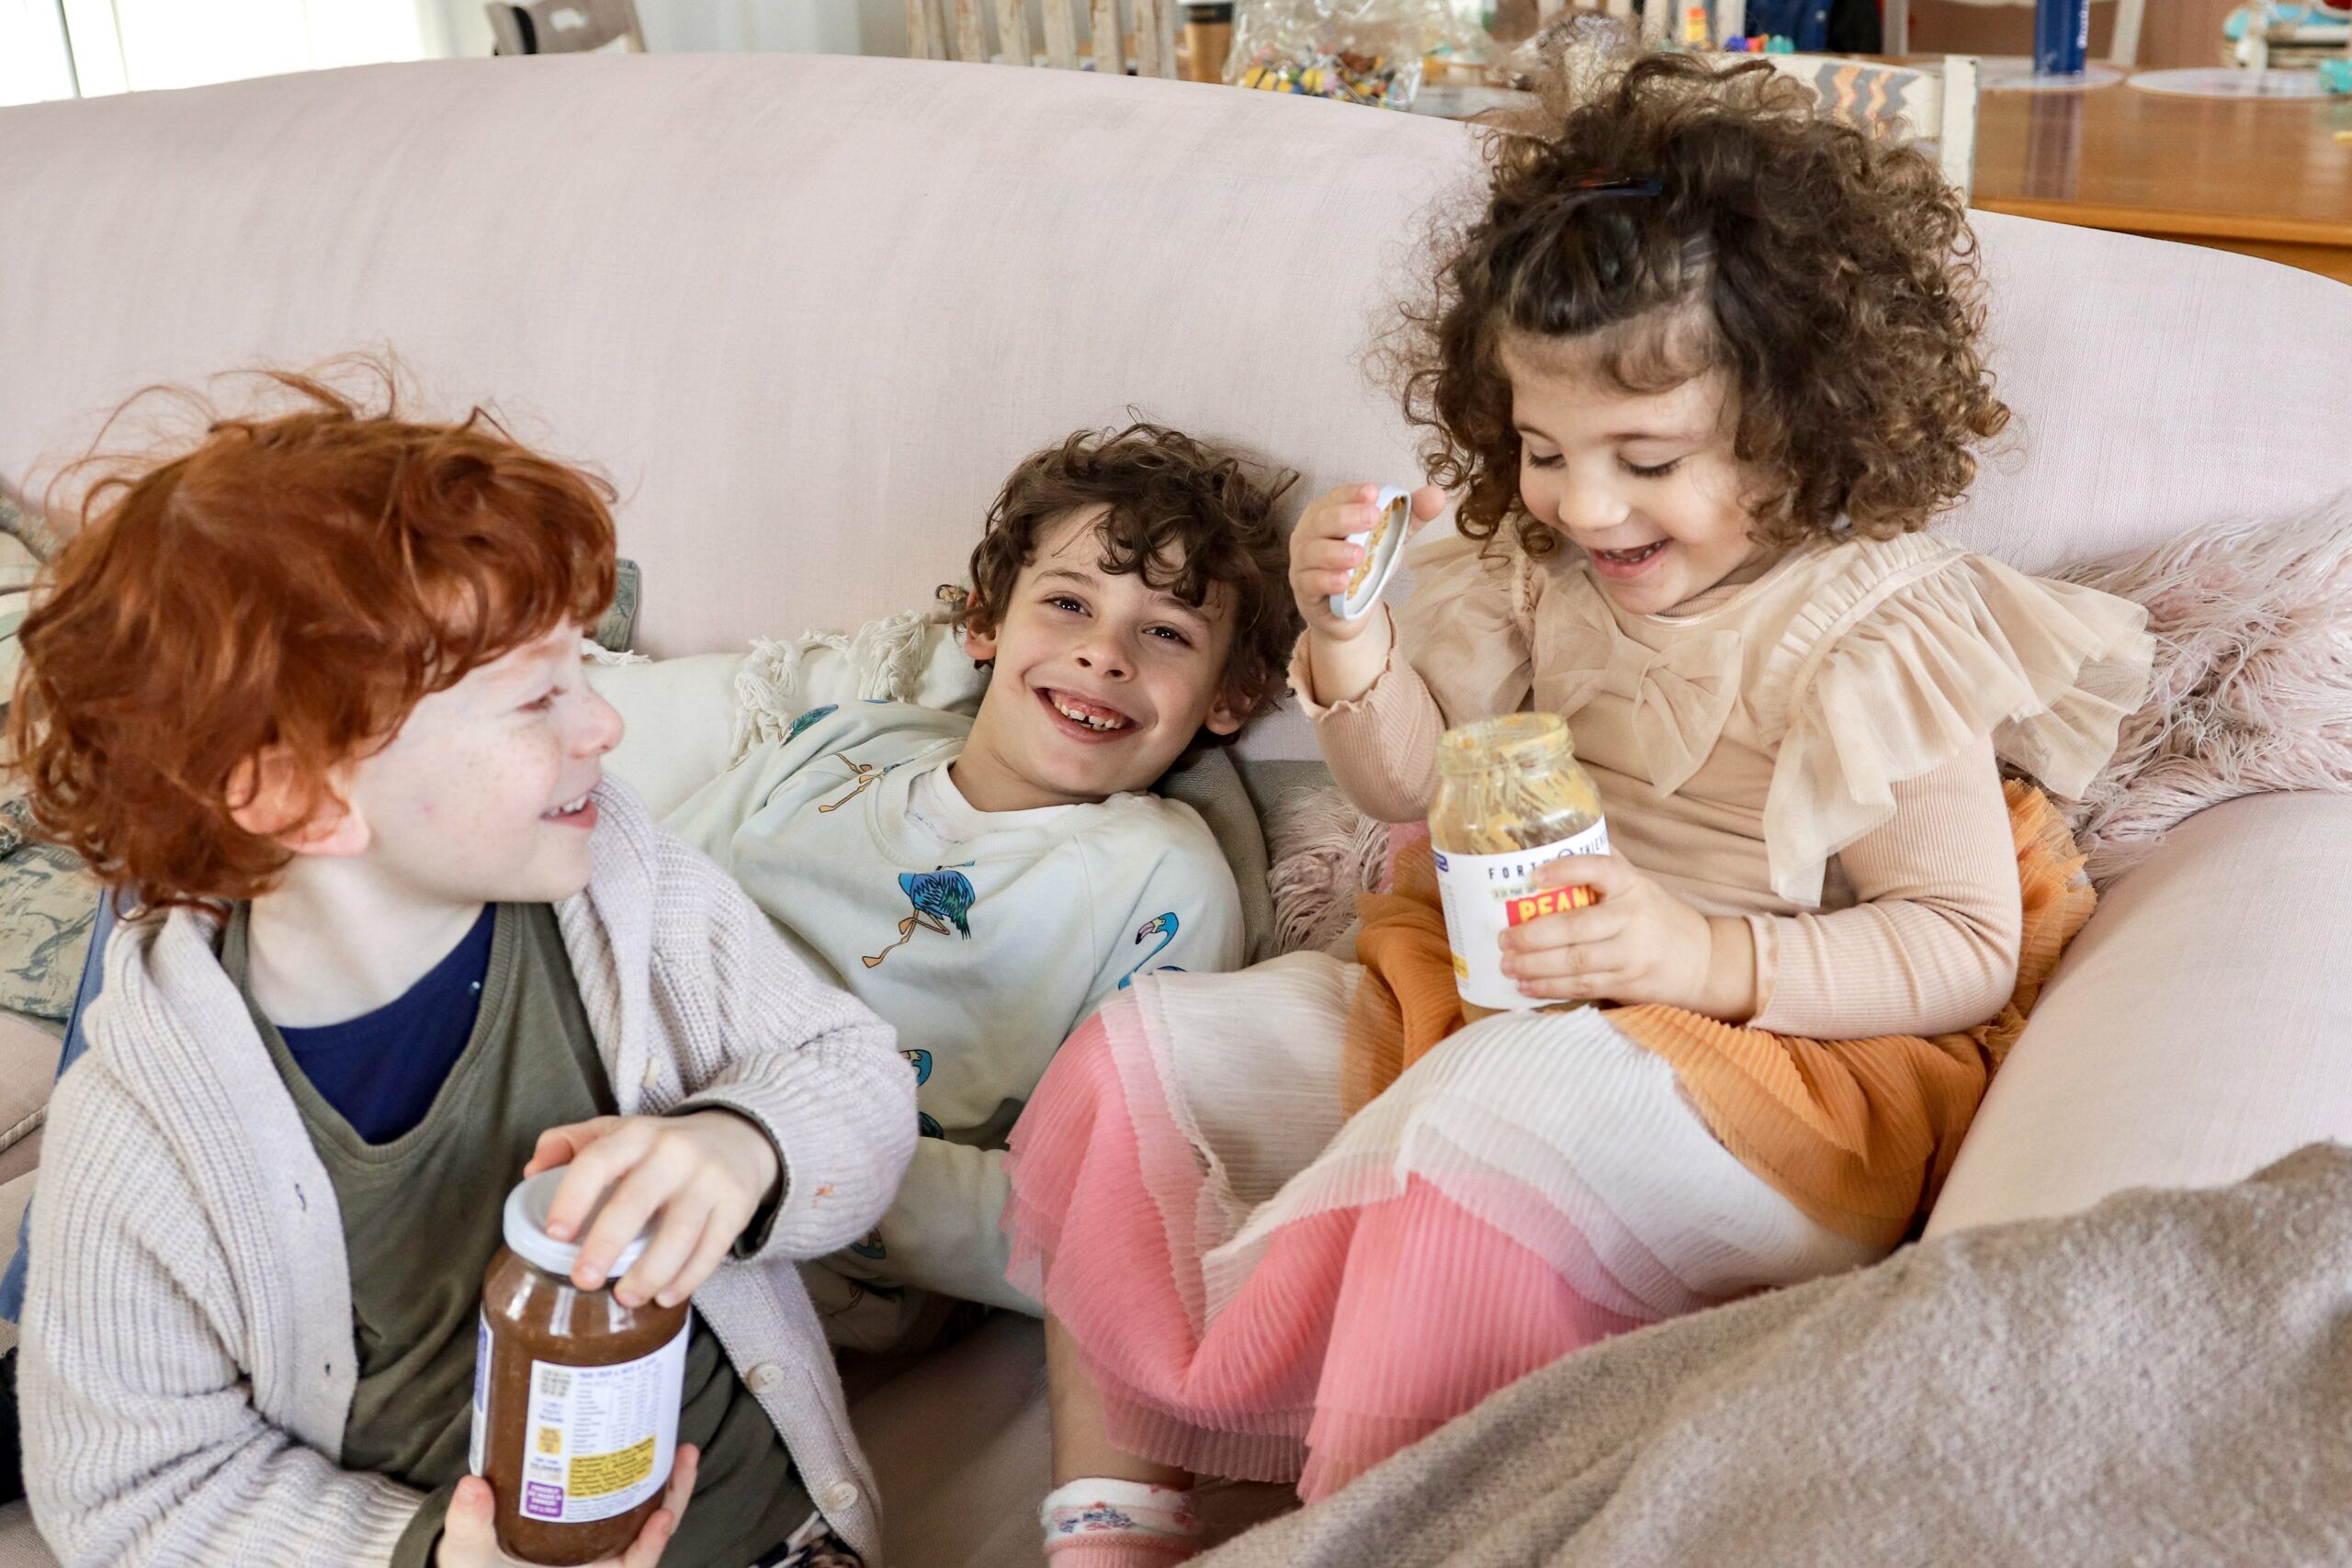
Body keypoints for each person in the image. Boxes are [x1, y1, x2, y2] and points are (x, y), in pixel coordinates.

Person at [1002, 52, 2154, 1565]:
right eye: (1544, 451)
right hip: (1526, 995)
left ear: (1801, 428)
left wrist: (1691, 956)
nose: (1585, 504)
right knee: (1142, 1048)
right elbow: (1411, 786)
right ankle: (1114, 1509)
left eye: (1647, 460)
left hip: (1779, 1063)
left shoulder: (1876, 627)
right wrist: (1346, 642)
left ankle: (1382, 1529)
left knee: (1479, 1122)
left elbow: (1957, 949)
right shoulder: (1545, 579)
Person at [12, 372, 913, 1568]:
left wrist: (746, 1146)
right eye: (540, 693)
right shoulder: (142, 1131)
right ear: (298, 792)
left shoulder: (618, 881)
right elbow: (132, 1494)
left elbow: (850, 1070)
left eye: (584, 669)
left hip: (780, 1537)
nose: (602, 724)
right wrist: (425, 1554)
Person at [666, 423, 1300, 1350]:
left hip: (791, 1241)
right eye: (1068, 604)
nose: (1104, 654)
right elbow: (625, 898)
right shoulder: (845, 740)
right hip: (608, 1085)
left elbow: (1099, 1216)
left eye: (1165, 632)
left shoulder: (1162, 876)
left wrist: (775, 1161)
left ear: (1229, 698)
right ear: (984, 624)